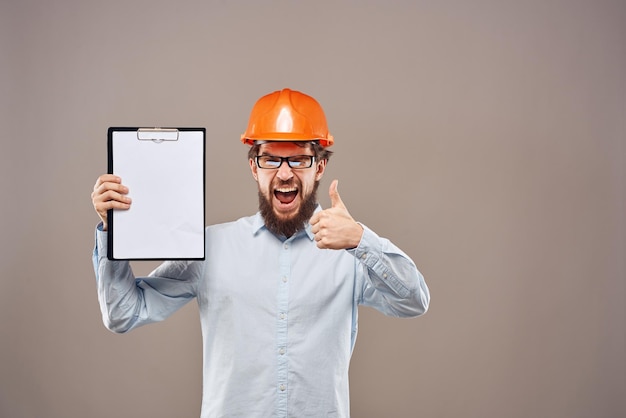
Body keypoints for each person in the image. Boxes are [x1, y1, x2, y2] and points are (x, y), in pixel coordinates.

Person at [91, 88, 430, 418]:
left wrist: (360, 240)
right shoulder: (210, 248)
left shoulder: (350, 253)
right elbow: (123, 313)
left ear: (320, 167)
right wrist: (112, 229)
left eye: (299, 158)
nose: (284, 173)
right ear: (254, 167)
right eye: (270, 158)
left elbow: (414, 300)